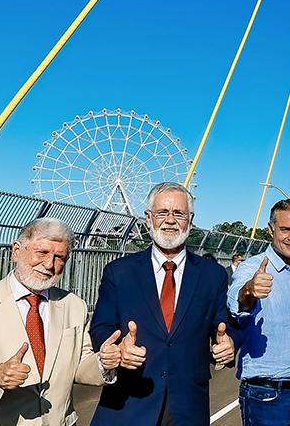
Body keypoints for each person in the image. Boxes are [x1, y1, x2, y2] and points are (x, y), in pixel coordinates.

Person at [0, 218, 118, 426]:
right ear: (16, 251)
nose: (49, 265)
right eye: (41, 252)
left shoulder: (74, 306)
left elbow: (77, 364)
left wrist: (103, 363)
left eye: (59, 257)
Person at [90, 182, 240, 426]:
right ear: (148, 219)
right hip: (130, 404)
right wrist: (118, 348)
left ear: (190, 221)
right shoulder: (119, 273)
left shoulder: (213, 275)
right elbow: (100, 327)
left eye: (178, 213)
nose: (170, 220)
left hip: (188, 408)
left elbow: (224, 326)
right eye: (162, 213)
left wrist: (229, 343)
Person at [228, 199, 290, 426]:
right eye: (285, 229)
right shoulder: (252, 268)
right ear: (271, 230)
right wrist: (249, 290)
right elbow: (235, 303)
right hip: (266, 395)